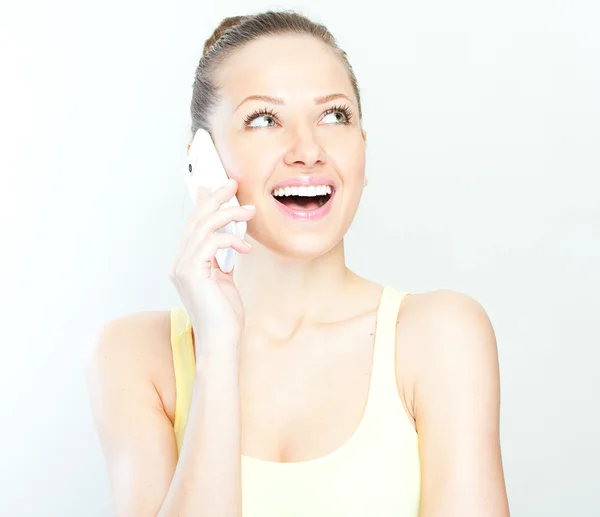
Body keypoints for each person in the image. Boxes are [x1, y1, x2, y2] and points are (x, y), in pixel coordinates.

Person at [86, 10, 510, 517]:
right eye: (264, 119)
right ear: (203, 164)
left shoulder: (441, 336)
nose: (308, 150)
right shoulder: (136, 358)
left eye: (334, 116)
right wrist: (218, 352)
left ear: (362, 150)